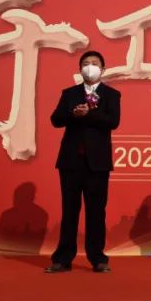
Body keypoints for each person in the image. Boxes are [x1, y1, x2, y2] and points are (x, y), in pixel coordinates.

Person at [46, 51, 121, 273]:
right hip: (70, 162)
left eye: (95, 64)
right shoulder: (70, 94)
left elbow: (113, 121)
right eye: (86, 64)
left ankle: (98, 258)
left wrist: (88, 114)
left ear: (103, 69)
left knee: (96, 212)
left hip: (97, 163)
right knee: (69, 211)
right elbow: (55, 120)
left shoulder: (111, 95)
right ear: (80, 70)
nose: (90, 67)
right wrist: (73, 114)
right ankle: (63, 258)